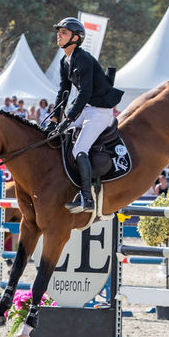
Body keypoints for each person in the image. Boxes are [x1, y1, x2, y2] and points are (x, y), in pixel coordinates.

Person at [48, 17, 124, 213]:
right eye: (59, 32)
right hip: (86, 109)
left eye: (63, 32)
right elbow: (63, 92)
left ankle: (87, 198)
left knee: (78, 149)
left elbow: (85, 92)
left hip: (99, 112)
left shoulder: (83, 58)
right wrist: (55, 119)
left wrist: (69, 118)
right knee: (58, 137)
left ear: (75, 38)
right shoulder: (65, 61)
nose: (59, 35)